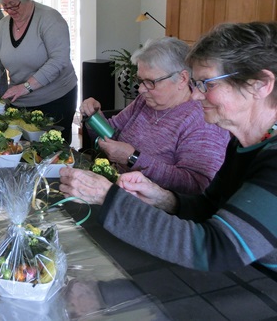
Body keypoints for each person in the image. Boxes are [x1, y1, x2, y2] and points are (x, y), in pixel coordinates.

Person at [59, 21, 277, 275]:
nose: (195, 96)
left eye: (209, 84)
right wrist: (164, 199)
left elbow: (215, 248)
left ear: (260, 85)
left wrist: (109, 198)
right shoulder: (243, 144)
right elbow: (208, 206)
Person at [80, 37, 230, 194]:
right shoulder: (145, 101)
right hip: (117, 189)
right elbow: (110, 134)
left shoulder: (202, 120)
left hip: (155, 210)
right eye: (140, 80)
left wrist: (133, 158)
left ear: (182, 79)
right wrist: (93, 116)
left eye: (151, 82)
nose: (141, 89)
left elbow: (196, 186)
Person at [0, 0, 78, 144]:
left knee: (51, 153)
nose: (9, 10)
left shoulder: (49, 19)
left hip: (55, 100)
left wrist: (26, 86)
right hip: (20, 102)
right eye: (5, 6)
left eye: (14, 5)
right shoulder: (3, 25)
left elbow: (59, 60)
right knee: (22, 149)